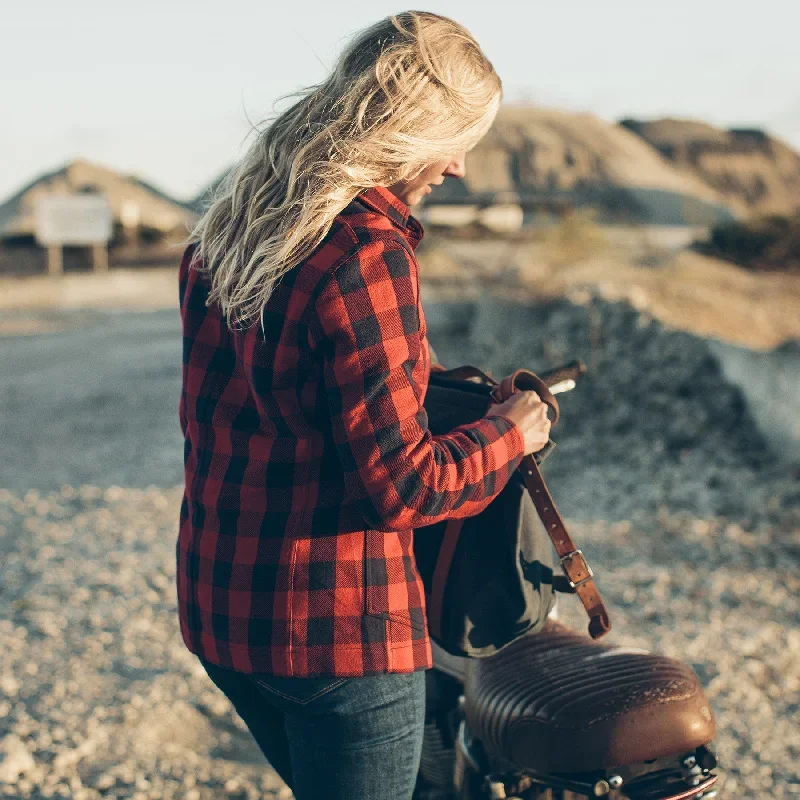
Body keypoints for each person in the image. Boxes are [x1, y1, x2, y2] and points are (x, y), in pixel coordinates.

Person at [176, 11, 551, 800]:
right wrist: (509, 435)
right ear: (407, 130)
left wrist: (446, 390)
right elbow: (404, 487)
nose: (456, 169)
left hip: (222, 611)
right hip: (334, 633)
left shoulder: (226, 230)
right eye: (455, 140)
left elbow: (288, 396)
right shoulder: (365, 254)